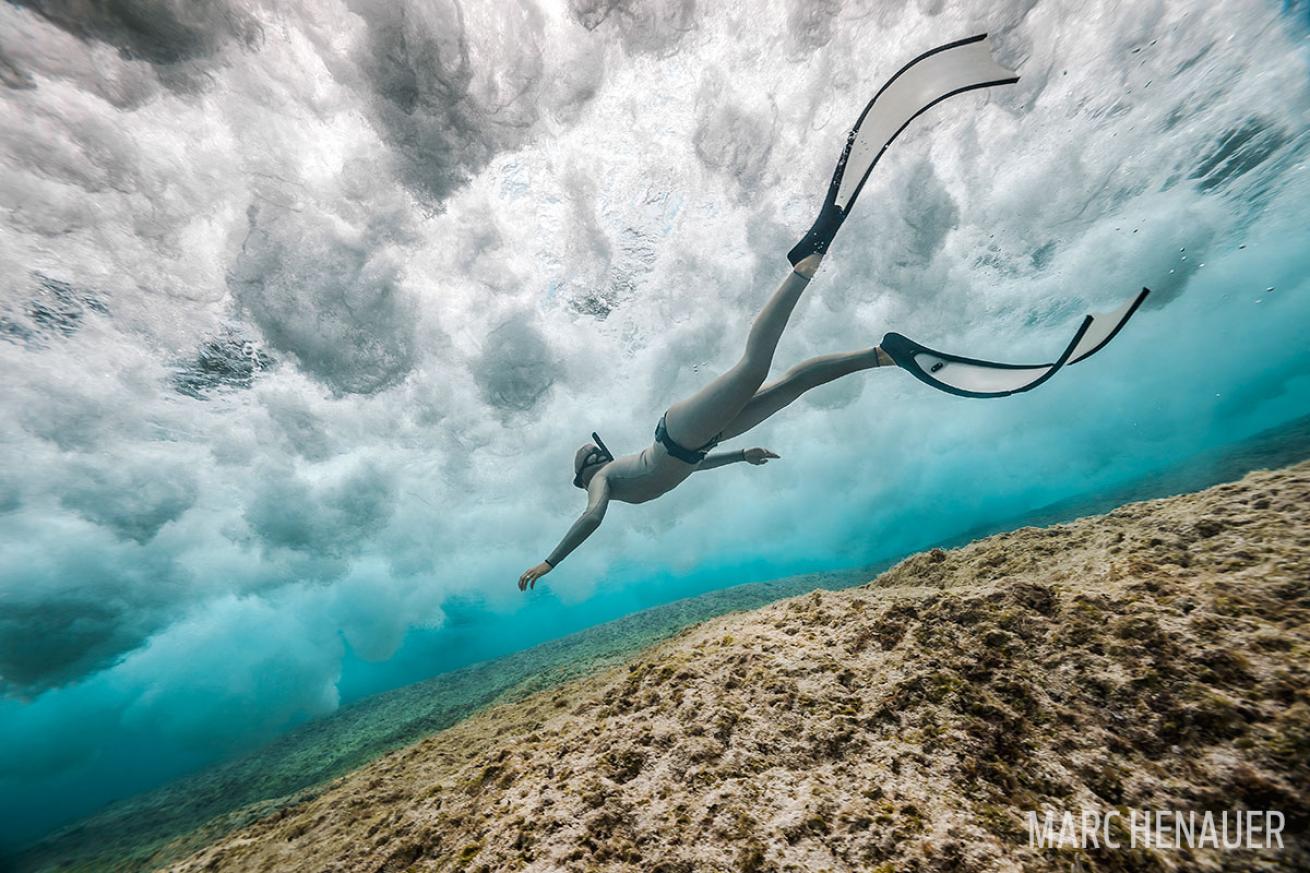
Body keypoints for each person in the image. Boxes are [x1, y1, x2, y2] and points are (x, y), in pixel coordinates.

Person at [519, 34, 1147, 588]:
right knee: (789, 382)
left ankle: (804, 260)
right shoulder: (619, 476)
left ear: (588, 470)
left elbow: (593, 516)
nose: (593, 478)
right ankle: (885, 353)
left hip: (677, 433)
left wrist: (551, 561)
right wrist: (744, 457)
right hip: (699, 442)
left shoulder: (603, 486)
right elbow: (693, 471)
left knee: (755, 364)